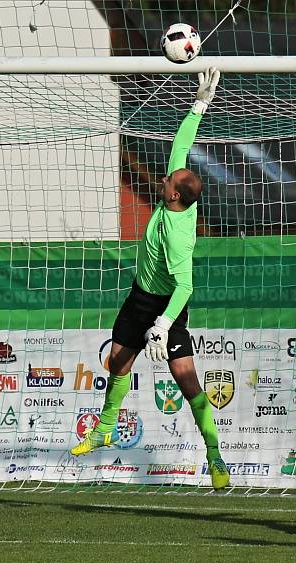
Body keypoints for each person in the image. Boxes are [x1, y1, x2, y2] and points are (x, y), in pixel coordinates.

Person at [70, 67, 230, 491]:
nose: (163, 178)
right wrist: (200, 104)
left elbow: (186, 286)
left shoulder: (180, 236)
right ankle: (105, 428)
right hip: (140, 296)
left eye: (168, 181)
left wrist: (162, 325)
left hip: (167, 307)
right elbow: (181, 144)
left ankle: (214, 456)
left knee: (186, 378)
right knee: (118, 362)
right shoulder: (177, 196)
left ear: (175, 195)